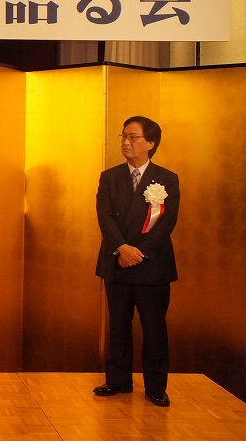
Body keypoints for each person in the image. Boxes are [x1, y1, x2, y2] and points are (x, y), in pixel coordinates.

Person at [93, 116, 179, 407]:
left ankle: (156, 387)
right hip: (117, 262)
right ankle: (117, 380)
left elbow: (167, 222)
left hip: (151, 265)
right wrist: (121, 248)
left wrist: (138, 253)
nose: (126, 142)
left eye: (133, 137)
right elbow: (104, 216)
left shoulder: (167, 178)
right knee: (118, 326)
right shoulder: (110, 176)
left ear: (150, 143)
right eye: (124, 136)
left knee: (154, 329)